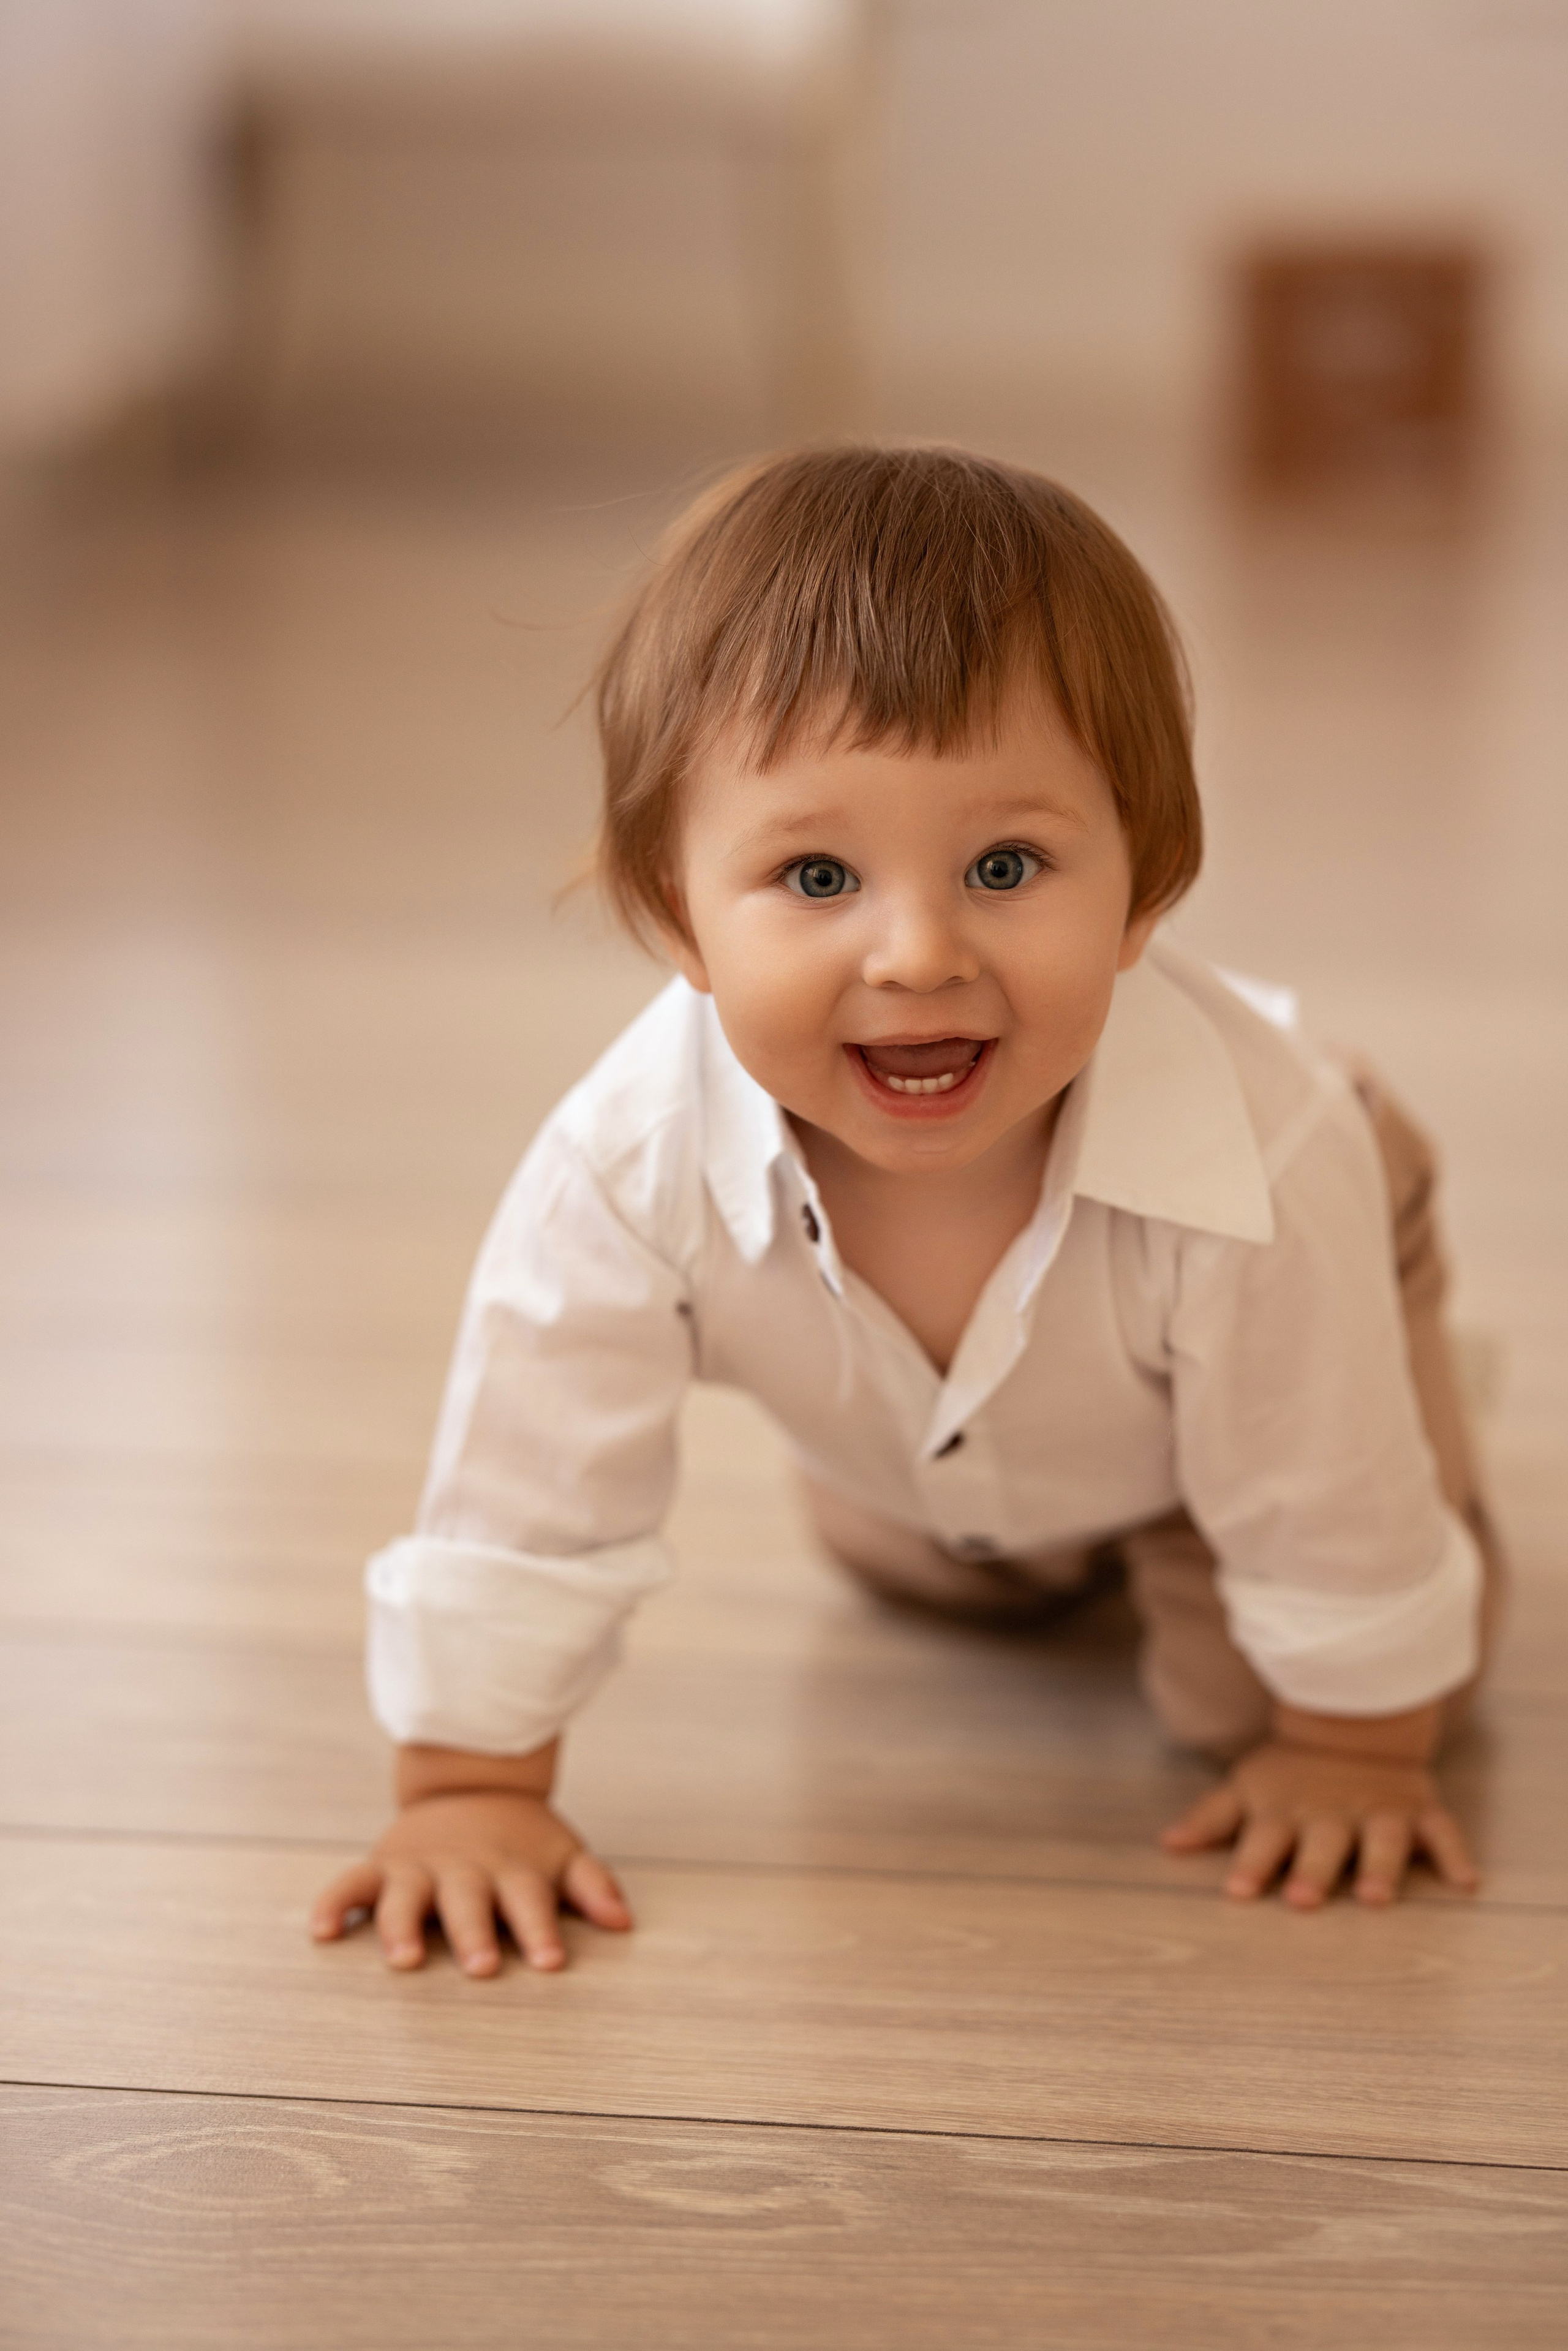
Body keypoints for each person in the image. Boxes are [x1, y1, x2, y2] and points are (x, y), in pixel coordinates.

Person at [311, 445, 1504, 1979]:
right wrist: (467, 1781)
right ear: (675, 913)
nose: (918, 953)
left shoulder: (1264, 1158)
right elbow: (527, 1479)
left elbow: (1334, 1517)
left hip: (1298, 1272)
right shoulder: (624, 1162)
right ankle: (1056, 1493)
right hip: (933, 1424)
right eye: (816, 874)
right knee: (921, 1563)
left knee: (1268, 1686)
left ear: (1146, 884)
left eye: (1004, 864)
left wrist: (1355, 1749)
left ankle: (1366, 1398)